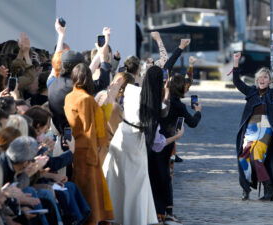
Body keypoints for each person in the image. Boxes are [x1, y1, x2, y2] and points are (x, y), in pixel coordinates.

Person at [104, 66, 184, 225]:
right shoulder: (156, 104)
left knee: (117, 176)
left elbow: (135, 82)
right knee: (138, 180)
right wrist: (166, 92)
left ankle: (112, 213)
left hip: (123, 133)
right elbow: (163, 111)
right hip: (138, 140)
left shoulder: (132, 91)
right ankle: (136, 216)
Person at [232, 52, 273, 201]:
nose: (262, 79)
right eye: (260, 77)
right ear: (256, 79)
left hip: (266, 128)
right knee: (243, 158)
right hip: (250, 129)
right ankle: (246, 189)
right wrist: (235, 62)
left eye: (265, 77)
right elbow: (237, 82)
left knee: (257, 156)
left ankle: (269, 189)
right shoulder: (251, 92)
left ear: (270, 80)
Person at [64, 63, 113, 225]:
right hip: (87, 148)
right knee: (90, 187)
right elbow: (89, 128)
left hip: (75, 145)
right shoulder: (86, 99)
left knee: (83, 185)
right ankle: (92, 219)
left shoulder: (69, 96)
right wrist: (96, 152)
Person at [151, 74, 201, 224]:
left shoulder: (160, 99)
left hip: (153, 141)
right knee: (165, 177)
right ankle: (168, 212)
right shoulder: (179, 105)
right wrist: (198, 111)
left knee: (155, 176)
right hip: (167, 144)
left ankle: (158, 211)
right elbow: (192, 123)